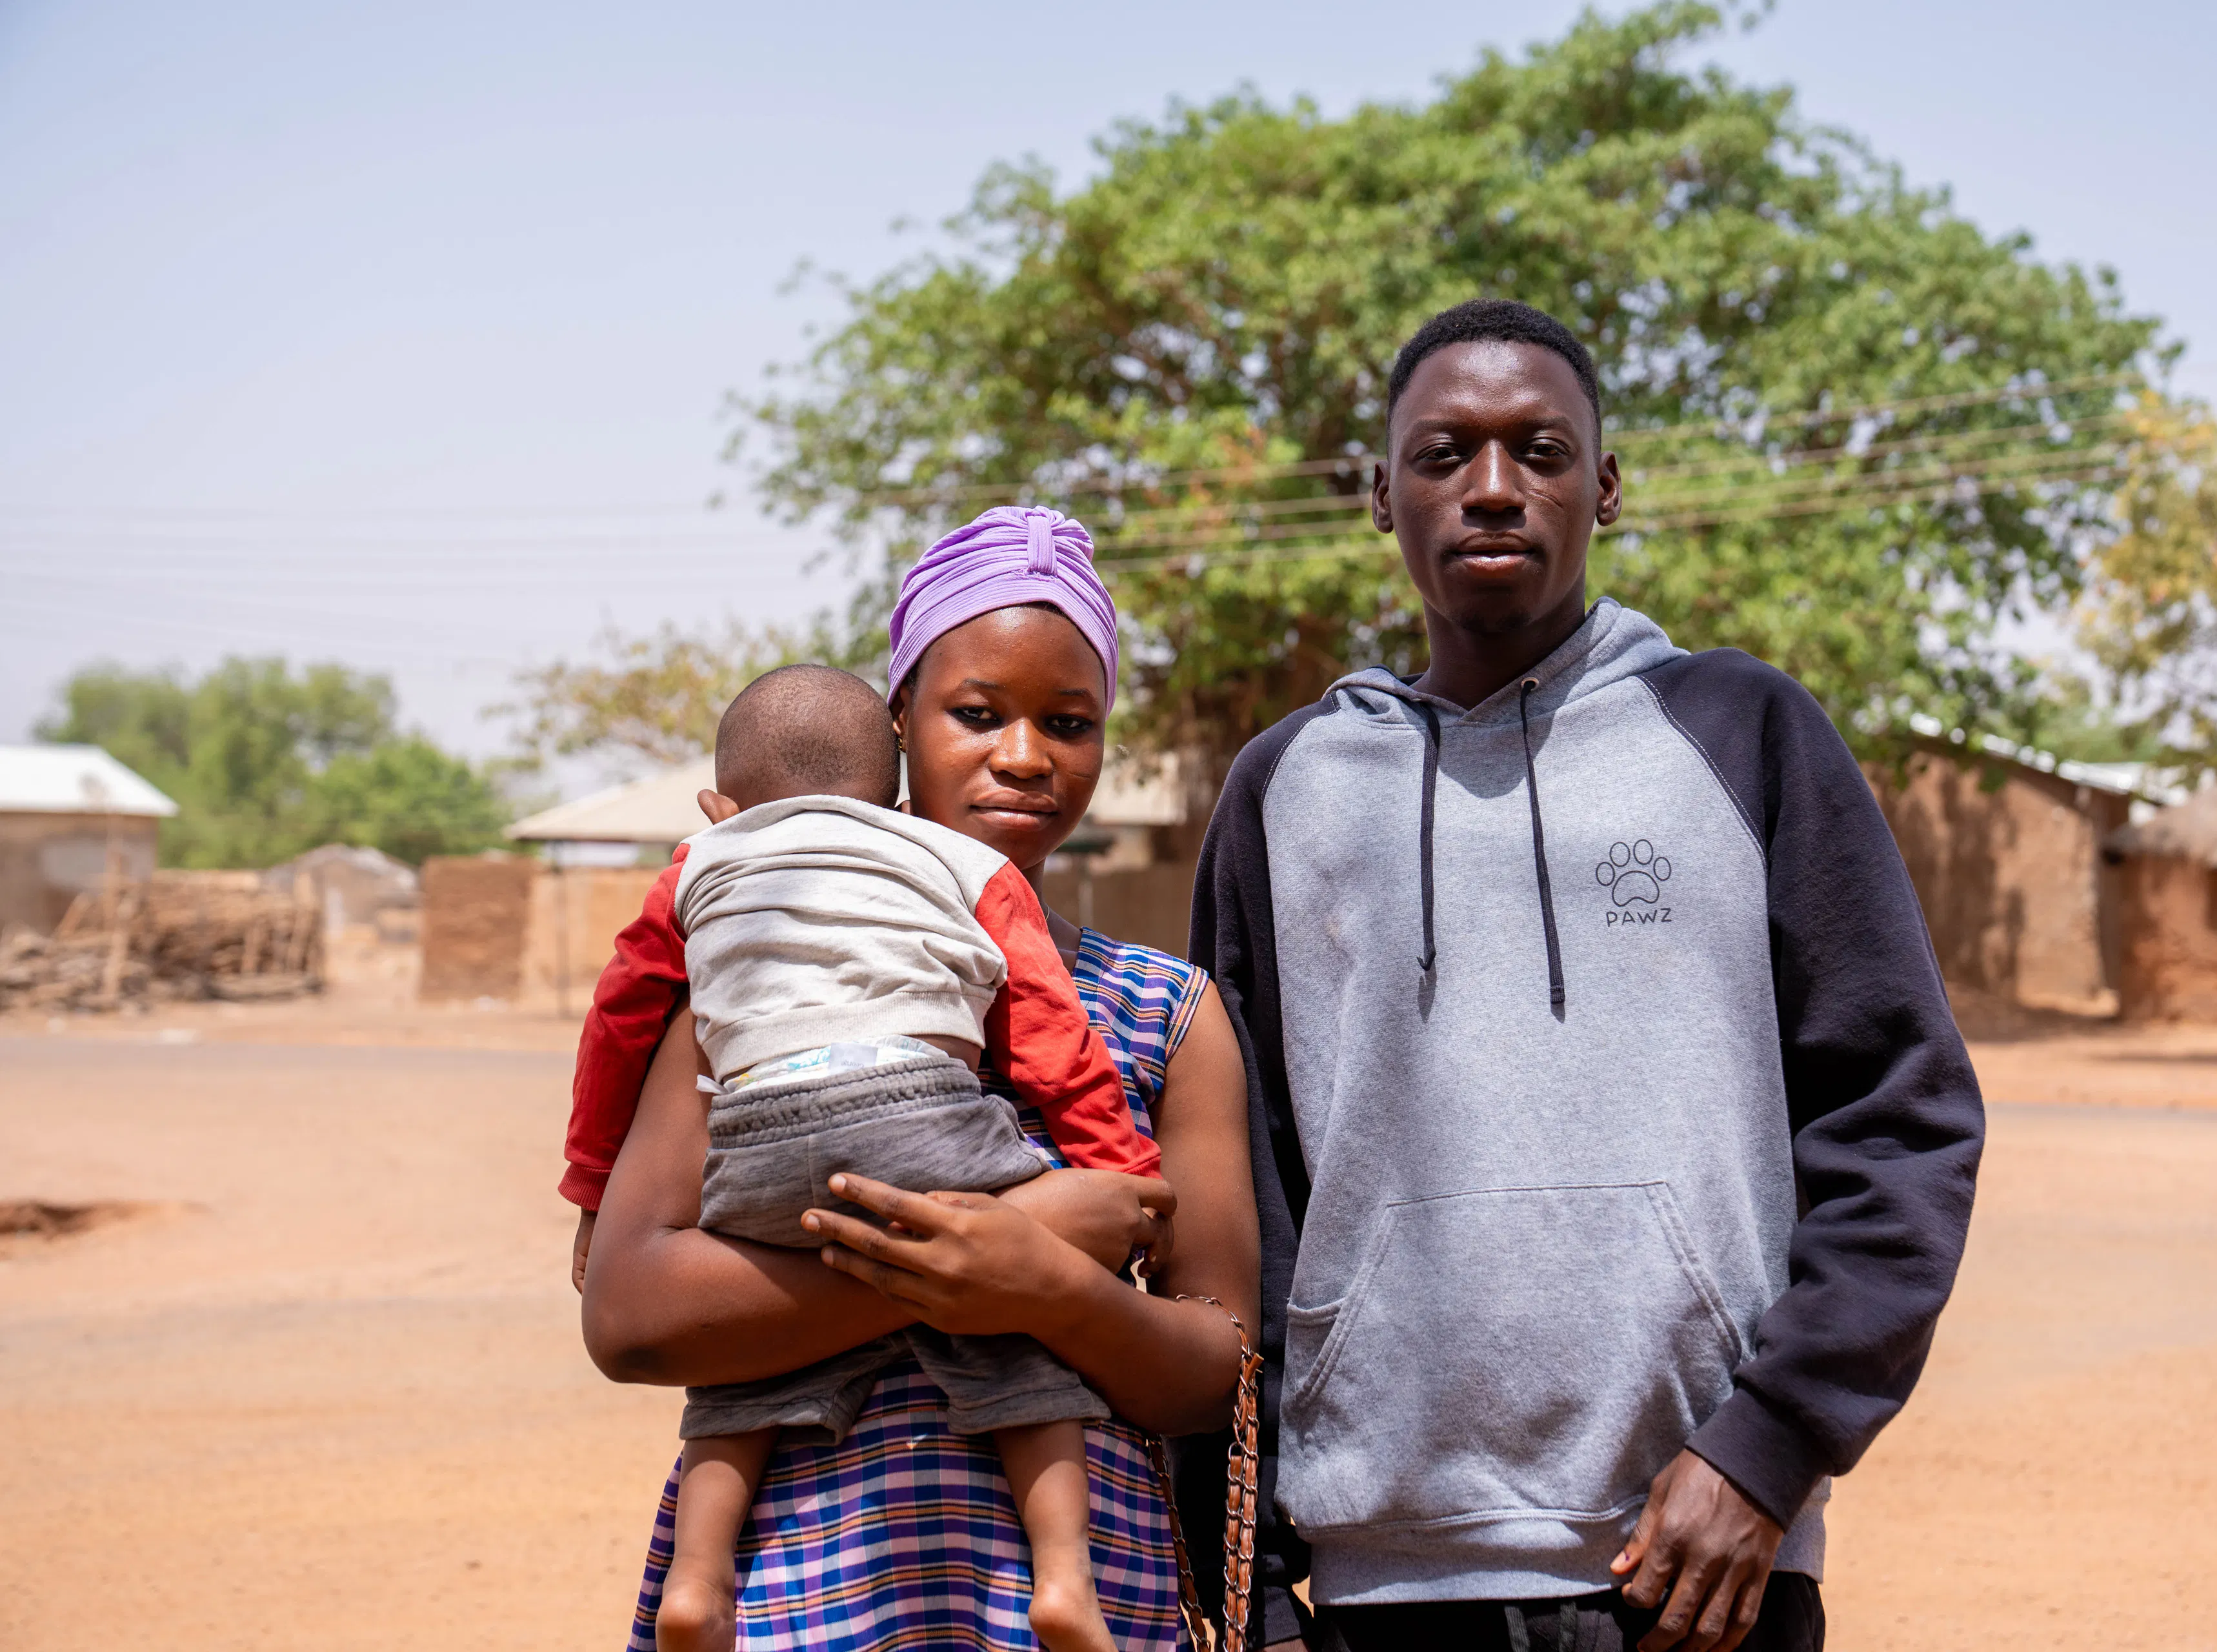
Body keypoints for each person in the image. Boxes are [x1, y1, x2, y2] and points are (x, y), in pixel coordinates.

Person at [1187, 301, 1985, 1652]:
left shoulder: (1744, 732)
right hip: (1383, 1576)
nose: (1492, 487)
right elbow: (1236, 1191)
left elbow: (1902, 1114)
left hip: (1698, 1552)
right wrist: (1248, 1563)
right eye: (1443, 455)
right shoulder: (1289, 790)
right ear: (1382, 493)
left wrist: (1770, 1448)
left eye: (1540, 450)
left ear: (1604, 485)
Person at [582, 507, 1260, 1652]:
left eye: (1072, 723)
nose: (1026, 756)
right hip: (802, 1590)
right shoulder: (754, 986)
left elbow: (1212, 1374)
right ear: (896, 722)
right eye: (977, 714)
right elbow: (631, 1317)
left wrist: (1049, 1289)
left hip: (1081, 1603)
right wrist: (1009, 1242)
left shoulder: (1164, 1016)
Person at [633, 663, 1165, 1652]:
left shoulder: (699, 863)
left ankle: (699, 1582)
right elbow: (1048, 1024)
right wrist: (1114, 1170)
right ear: (896, 775)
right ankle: (1062, 1579)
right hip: (914, 1107)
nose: (1017, 753)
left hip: (757, 1126)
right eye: (974, 715)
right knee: (1018, 1330)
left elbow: (620, 1018)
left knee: (740, 1383)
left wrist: (587, 1190)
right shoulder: (948, 863)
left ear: (717, 805)